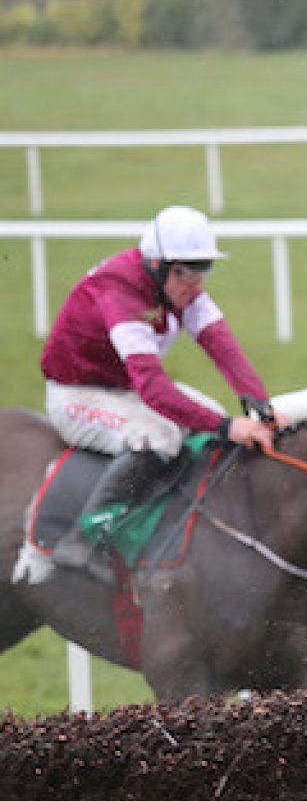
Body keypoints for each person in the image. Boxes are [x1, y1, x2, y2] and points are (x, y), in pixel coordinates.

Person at [39, 204, 279, 578]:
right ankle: (84, 537)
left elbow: (219, 341)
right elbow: (153, 389)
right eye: (185, 273)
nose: (195, 284)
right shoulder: (119, 291)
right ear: (156, 264)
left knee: (208, 410)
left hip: (123, 388)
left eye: (202, 271)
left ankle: (180, 516)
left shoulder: (175, 286)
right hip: (76, 395)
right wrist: (227, 426)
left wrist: (259, 402)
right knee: (161, 435)